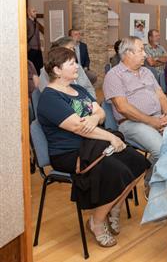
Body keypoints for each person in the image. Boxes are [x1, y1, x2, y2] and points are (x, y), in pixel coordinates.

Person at [37, 47, 149, 247]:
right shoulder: (50, 97)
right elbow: (78, 128)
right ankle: (96, 222)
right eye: (71, 63)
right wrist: (109, 136)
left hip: (94, 143)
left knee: (139, 162)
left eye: (75, 62)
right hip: (69, 152)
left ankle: (115, 205)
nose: (77, 66)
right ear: (56, 70)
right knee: (119, 172)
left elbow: (101, 114)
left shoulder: (78, 90)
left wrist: (93, 118)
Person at [103, 36, 167, 197]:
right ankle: (150, 184)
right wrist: (152, 122)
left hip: (157, 118)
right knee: (163, 150)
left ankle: (163, 179)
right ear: (128, 53)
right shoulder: (114, 75)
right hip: (131, 123)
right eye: (141, 50)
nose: (145, 54)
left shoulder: (147, 71)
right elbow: (123, 108)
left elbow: (161, 96)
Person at [27, 6, 43, 73]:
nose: (35, 13)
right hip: (31, 50)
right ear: (28, 13)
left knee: (39, 68)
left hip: (38, 49)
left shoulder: (36, 23)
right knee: (31, 69)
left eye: (35, 11)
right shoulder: (26, 22)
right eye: (33, 11)